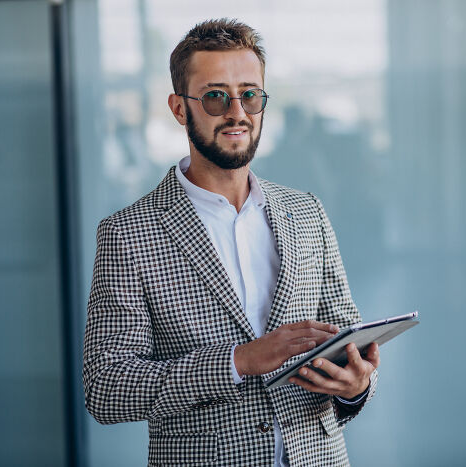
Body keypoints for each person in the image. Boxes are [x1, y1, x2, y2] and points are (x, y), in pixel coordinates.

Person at [82, 18, 380, 466]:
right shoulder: (128, 234)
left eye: (250, 95)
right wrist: (238, 361)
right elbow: (107, 388)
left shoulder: (306, 213)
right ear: (180, 109)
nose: (237, 112)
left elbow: (344, 337)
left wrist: (357, 387)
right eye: (216, 96)